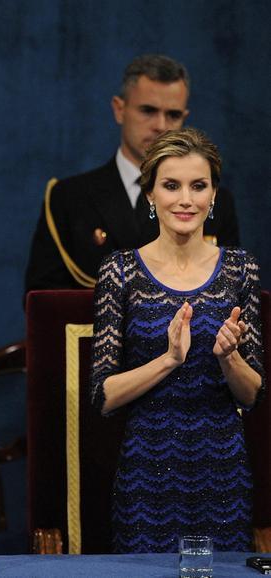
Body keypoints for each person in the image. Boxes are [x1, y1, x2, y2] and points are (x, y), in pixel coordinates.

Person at [90, 127, 264, 553]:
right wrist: (169, 359)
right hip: (146, 475)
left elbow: (253, 394)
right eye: (171, 186)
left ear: (213, 195)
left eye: (198, 186)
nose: (185, 199)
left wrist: (228, 358)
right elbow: (104, 396)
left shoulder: (241, 269)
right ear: (150, 194)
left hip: (222, 472)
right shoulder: (121, 272)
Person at [25, 55, 240, 292]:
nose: (160, 125)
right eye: (148, 110)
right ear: (120, 109)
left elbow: (230, 295)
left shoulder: (215, 203)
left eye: (173, 115)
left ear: (184, 118)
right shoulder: (68, 198)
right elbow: (42, 302)